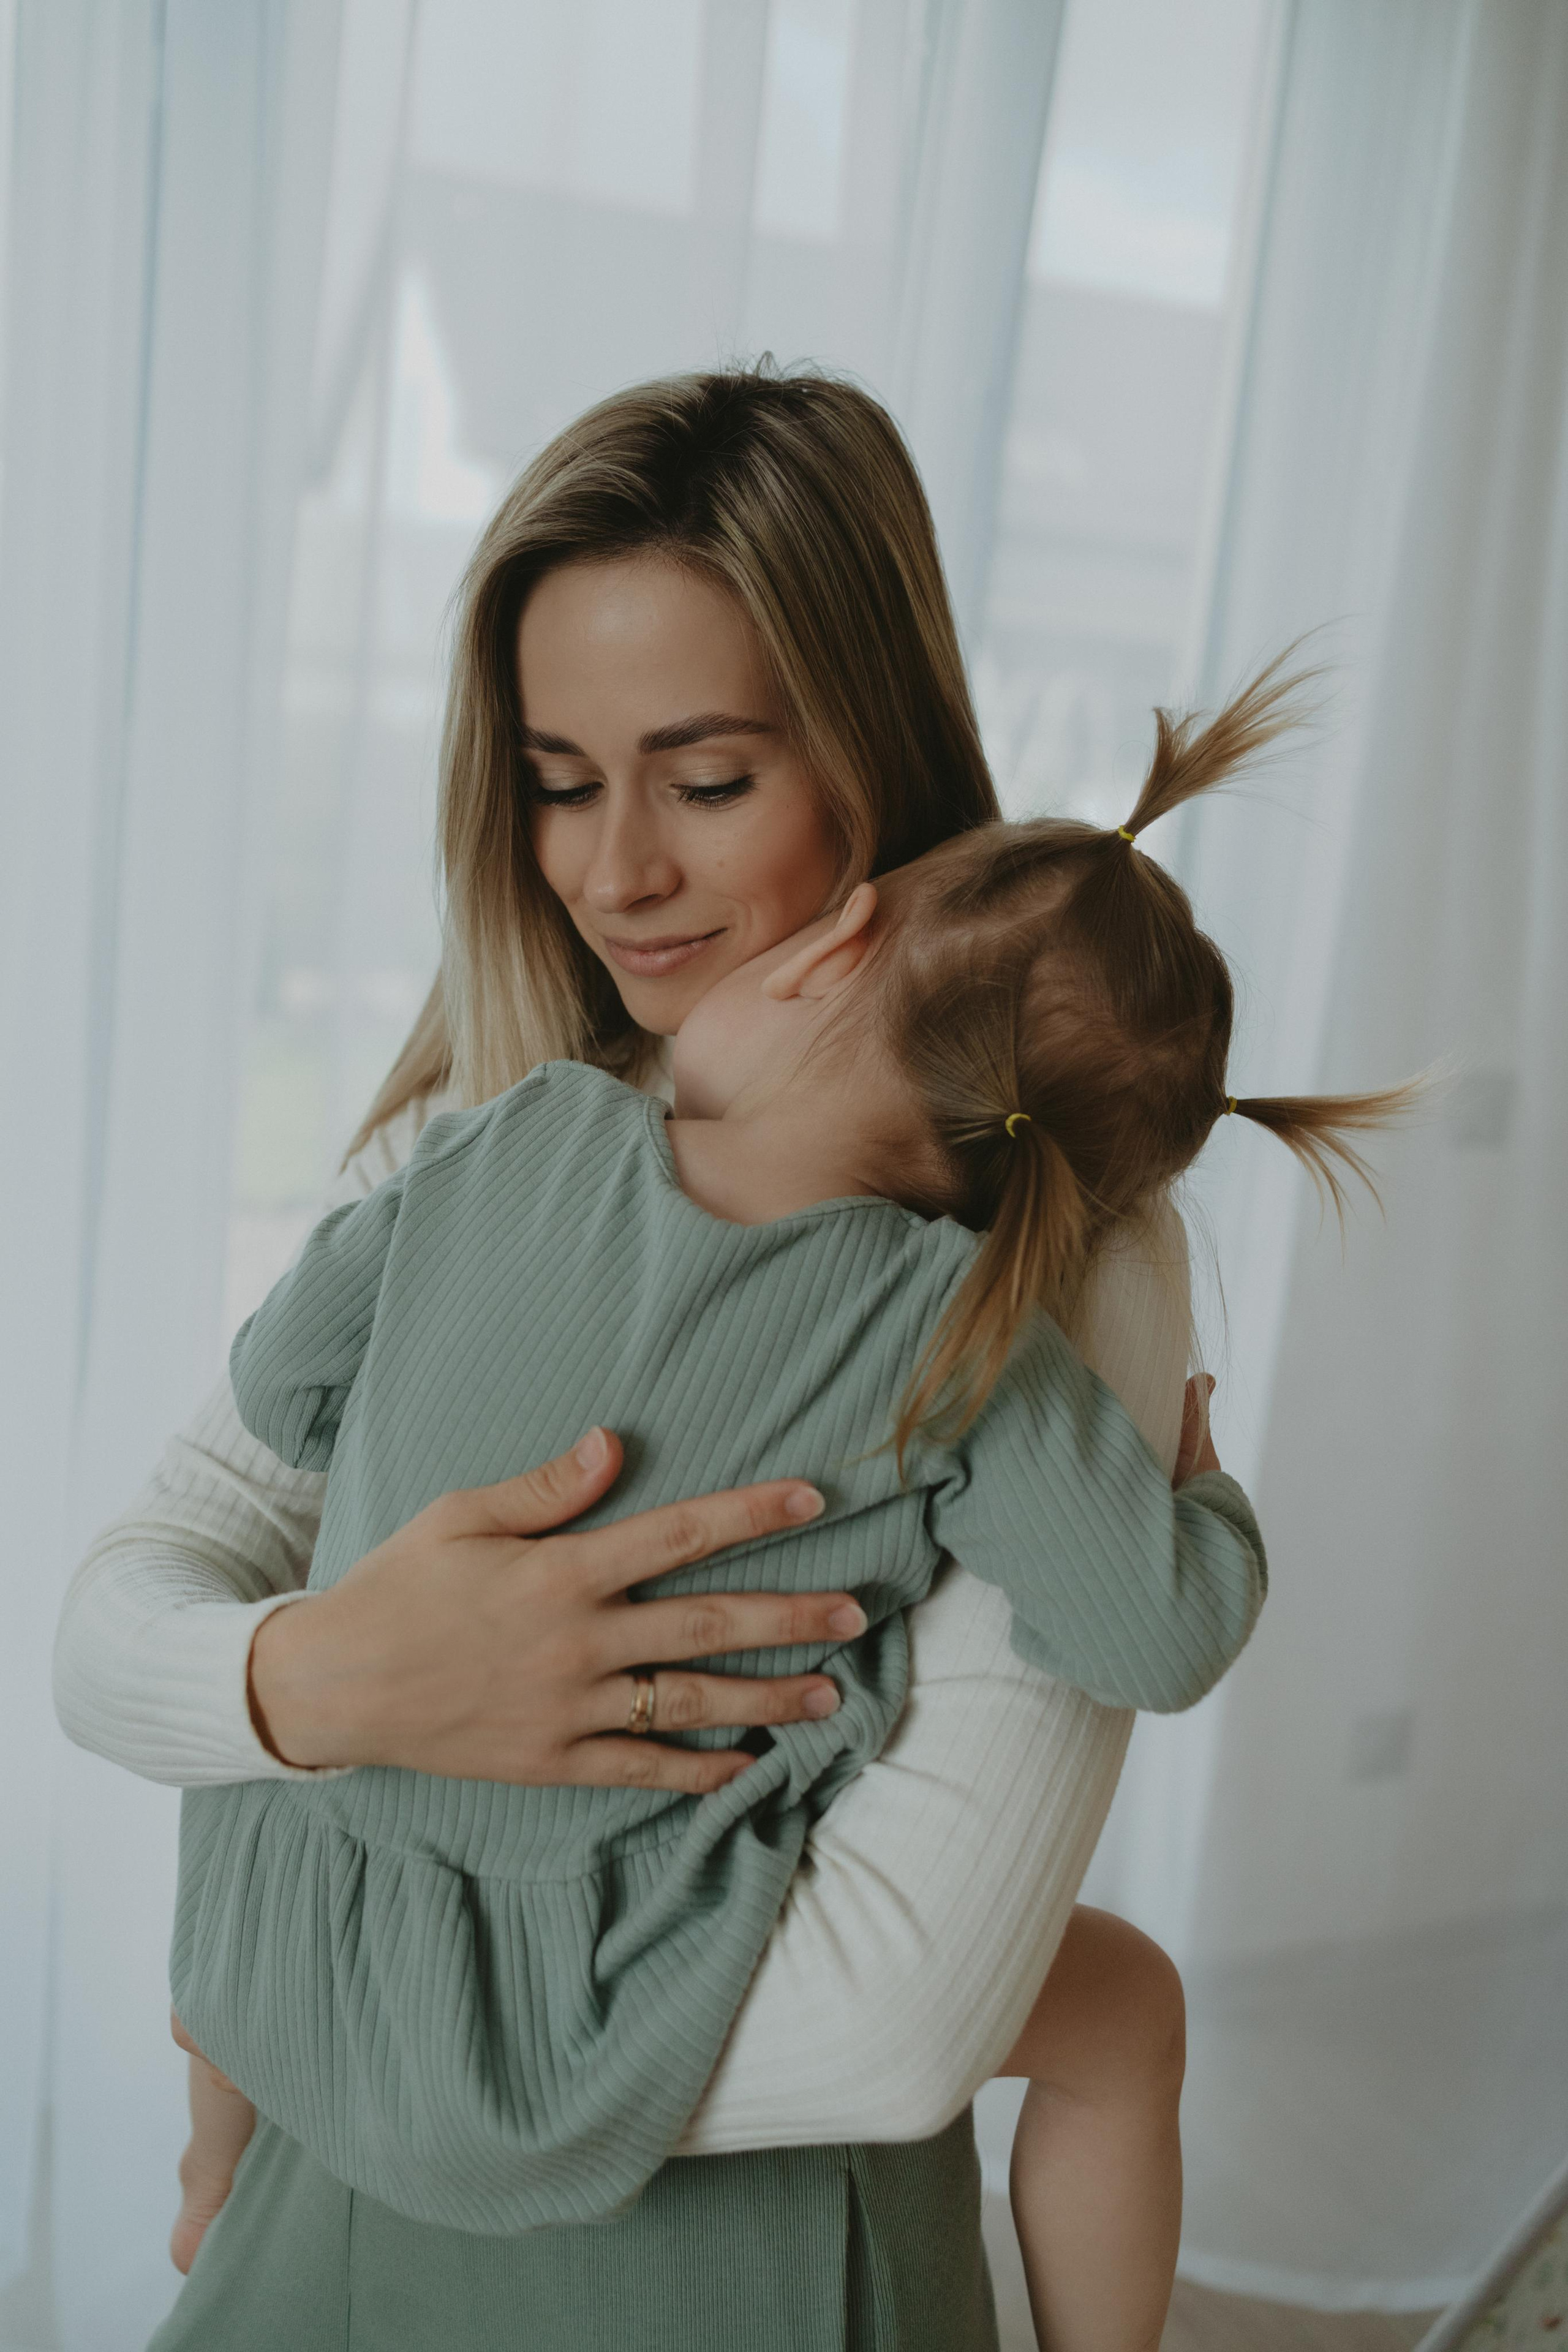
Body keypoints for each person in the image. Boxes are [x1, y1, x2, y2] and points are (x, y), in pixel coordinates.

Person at [56, 366, 1290, 2352]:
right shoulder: (476, 1134)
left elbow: (899, 2029)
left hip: (723, 2262)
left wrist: (322, 1881)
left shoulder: (1040, 1276)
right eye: (559, 778)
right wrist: (336, 1671)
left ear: (875, 777)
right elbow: (118, 1620)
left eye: (706, 784)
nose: (614, 870)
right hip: (334, 2206)